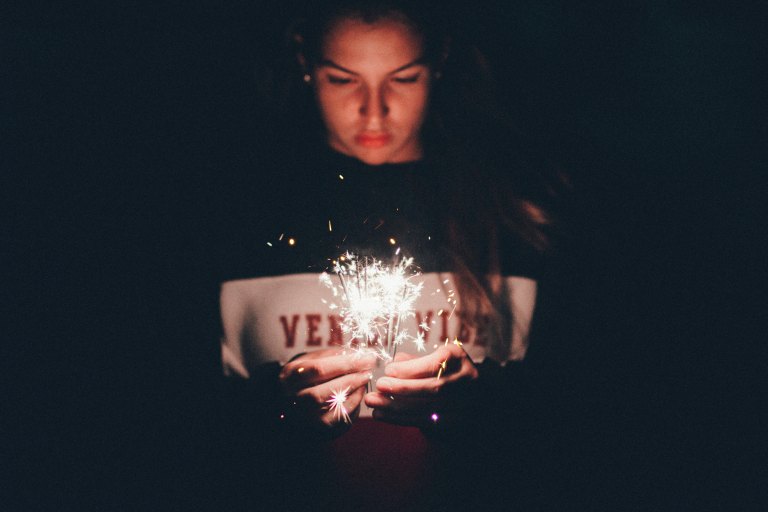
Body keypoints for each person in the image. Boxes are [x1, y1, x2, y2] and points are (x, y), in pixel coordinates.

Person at [214, 1, 563, 510]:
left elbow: (574, 418)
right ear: (303, 61)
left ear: (439, 61)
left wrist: (486, 408)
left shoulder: (517, 219)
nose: (373, 110)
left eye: (403, 78)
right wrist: (275, 410)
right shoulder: (239, 218)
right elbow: (178, 420)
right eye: (342, 79)